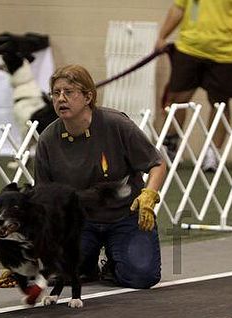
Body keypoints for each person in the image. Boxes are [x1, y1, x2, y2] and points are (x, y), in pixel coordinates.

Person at [34, 64, 166, 289]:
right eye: (56, 93)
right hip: (79, 221)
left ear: (88, 96)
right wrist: (27, 255)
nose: (61, 99)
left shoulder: (116, 124)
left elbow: (157, 163)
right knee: (57, 276)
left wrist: (149, 194)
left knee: (142, 277)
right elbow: (43, 199)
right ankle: (86, 264)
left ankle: (113, 264)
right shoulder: (47, 140)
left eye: (69, 92)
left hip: (125, 214)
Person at [155, 0, 232, 171]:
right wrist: (163, 36)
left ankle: (212, 153)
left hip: (226, 53)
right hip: (189, 48)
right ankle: (170, 145)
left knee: (219, 103)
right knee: (176, 99)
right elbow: (179, 8)